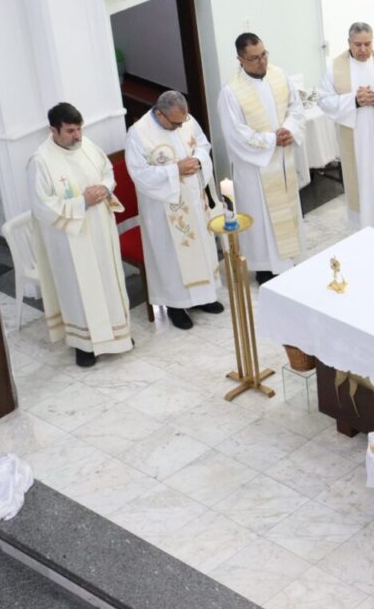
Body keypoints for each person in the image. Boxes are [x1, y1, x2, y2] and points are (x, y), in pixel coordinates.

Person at [29, 102, 133, 367]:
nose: (78, 136)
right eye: (70, 131)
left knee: (108, 279)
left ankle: (118, 334)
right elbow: (42, 206)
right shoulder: (40, 161)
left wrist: (104, 188)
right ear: (53, 130)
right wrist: (81, 202)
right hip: (70, 239)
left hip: (100, 227)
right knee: (79, 287)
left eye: (79, 129)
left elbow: (107, 171)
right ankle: (84, 345)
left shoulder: (86, 146)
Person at [125, 91, 223, 330]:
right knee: (171, 256)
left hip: (194, 200)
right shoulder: (138, 133)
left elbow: (202, 143)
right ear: (160, 113)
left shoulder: (184, 119)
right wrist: (174, 170)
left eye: (183, 120)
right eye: (175, 123)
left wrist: (199, 160)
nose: (181, 125)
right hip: (164, 208)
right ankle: (176, 306)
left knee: (200, 245)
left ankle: (204, 297)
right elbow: (139, 174)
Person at [217, 32, 305, 285]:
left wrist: (289, 129)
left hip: (282, 160)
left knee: (286, 210)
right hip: (256, 168)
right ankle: (266, 267)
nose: (262, 62)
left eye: (264, 54)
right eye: (254, 58)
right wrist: (271, 140)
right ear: (240, 59)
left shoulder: (279, 75)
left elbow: (295, 108)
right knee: (262, 216)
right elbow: (235, 134)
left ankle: (290, 257)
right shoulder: (231, 92)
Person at [318, 22, 374, 233]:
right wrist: (354, 101)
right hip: (355, 142)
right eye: (357, 44)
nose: (363, 50)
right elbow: (324, 100)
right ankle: (362, 232)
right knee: (361, 186)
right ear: (349, 43)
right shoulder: (335, 67)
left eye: (367, 44)